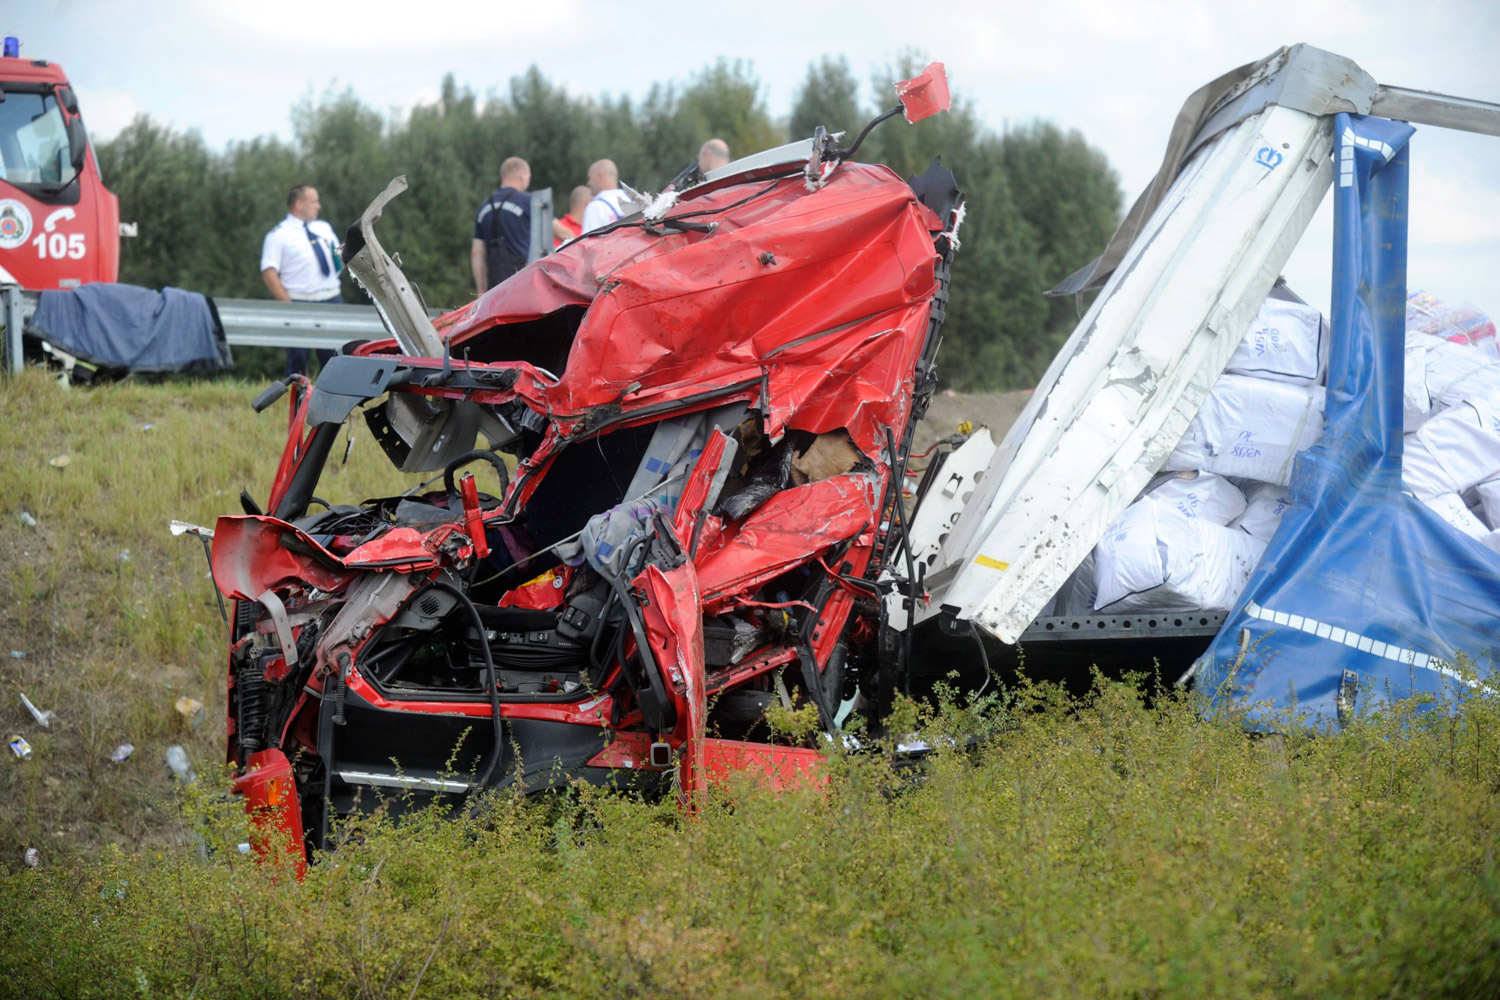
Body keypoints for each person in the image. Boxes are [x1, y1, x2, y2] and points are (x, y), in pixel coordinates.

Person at [261, 184, 342, 377]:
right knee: (298, 361)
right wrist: (289, 305)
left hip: (331, 300)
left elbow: (341, 255)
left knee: (336, 360)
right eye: (313, 201)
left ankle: (333, 405)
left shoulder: (324, 228)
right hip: (300, 302)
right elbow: (269, 272)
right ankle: (297, 405)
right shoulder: (278, 234)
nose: (318, 206)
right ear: (298, 204)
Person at [471, 156, 532, 294]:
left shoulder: (484, 207)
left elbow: (477, 253)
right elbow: (560, 232)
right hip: (525, 289)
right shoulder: (529, 201)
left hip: (495, 292)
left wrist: (481, 292)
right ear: (522, 176)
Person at [581, 159, 632, 234]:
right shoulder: (633, 202)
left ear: (599, 177)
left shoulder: (596, 207)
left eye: (590, 178)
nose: (588, 183)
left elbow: (588, 243)